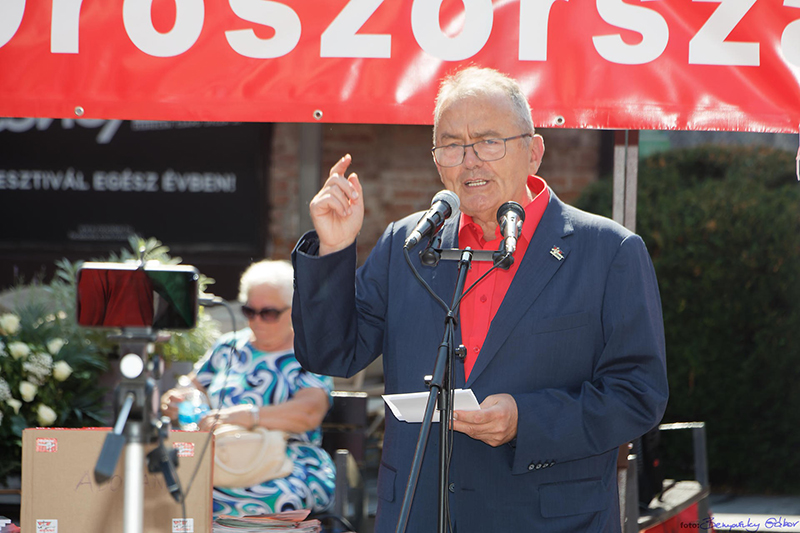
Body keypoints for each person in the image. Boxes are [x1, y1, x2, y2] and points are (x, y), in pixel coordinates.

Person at [291, 66, 669, 532]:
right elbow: (330, 352)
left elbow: (638, 395)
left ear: (533, 151)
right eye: (451, 144)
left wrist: (525, 420)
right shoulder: (408, 244)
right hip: (418, 513)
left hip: (545, 519)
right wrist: (333, 249)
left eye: (489, 141)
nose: (470, 161)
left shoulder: (609, 251)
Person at [161, 259, 336, 517]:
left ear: (296, 309)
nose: (256, 320)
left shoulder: (310, 354)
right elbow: (190, 388)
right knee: (169, 492)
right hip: (221, 457)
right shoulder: (227, 347)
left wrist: (245, 416)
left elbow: (308, 413)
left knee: (270, 499)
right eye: (249, 311)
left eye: (268, 313)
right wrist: (176, 401)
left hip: (287, 461)